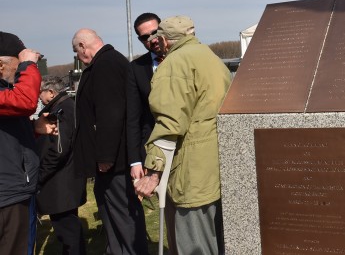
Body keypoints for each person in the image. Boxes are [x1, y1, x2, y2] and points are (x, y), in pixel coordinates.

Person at [135, 16, 231, 255]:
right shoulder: (213, 59)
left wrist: (153, 173)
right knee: (216, 241)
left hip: (191, 173)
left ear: (165, 41)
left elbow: (169, 122)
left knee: (194, 245)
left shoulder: (174, 64)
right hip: (215, 167)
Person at [72, 28, 148, 255]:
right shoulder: (107, 62)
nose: (77, 56)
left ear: (83, 46)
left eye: (76, 50)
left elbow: (111, 114)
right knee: (111, 213)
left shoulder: (106, 65)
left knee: (122, 215)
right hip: (114, 159)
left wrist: (105, 157)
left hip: (115, 162)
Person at [0, 32, 44, 255]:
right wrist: (29, 64)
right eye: (17, 66)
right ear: (1, 64)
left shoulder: (4, 92)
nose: (19, 73)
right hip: (7, 197)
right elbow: (26, 101)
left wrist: (33, 130)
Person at [37, 76, 87, 255]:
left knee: (68, 232)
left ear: (51, 92)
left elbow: (58, 150)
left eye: (39, 93)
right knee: (69, 230)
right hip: (66, 180)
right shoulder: (67, 106)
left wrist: (40, 175)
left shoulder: (61, 110)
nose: (38, 98)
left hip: (60, 183)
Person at [127, 13, 163, 181]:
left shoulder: (186, 58)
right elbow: (133, 117)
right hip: (155, 147)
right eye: (146, 37)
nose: (153, 39)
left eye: (155, 32)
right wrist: (135, 160)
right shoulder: (136, 68)